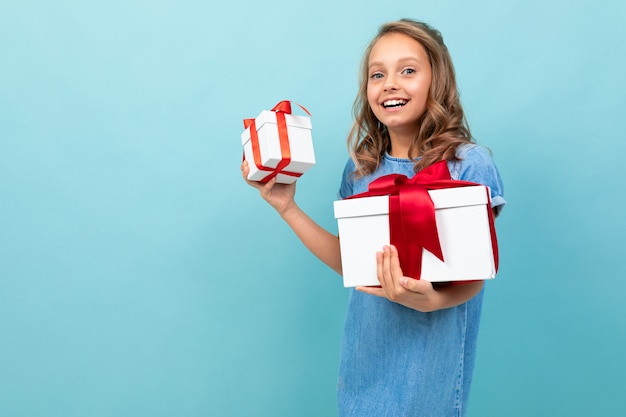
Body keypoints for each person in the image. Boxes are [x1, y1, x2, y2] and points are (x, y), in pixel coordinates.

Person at [241, 18, 505, 417]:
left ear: (439, 81)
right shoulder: (361, 169)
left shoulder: (467, 164)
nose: (390, 83)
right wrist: (287, 206)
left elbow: (475, 276)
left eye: (409, 70)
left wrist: (433, 300)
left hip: (428, 368)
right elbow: (353, 263)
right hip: (365, 363)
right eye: (377, 74)